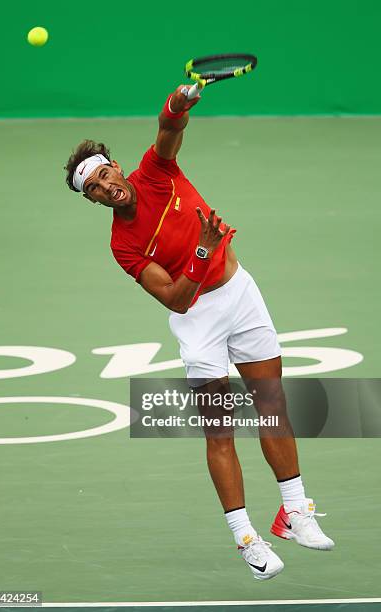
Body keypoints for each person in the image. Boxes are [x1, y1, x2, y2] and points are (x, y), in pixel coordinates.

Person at [64, 85, 334, 581]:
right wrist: (204, 252)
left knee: (272, 406)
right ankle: (246, 539)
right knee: (221, 431)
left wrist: (179, 100)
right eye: (95, 189)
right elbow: (175, 297)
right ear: (94, 200)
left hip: (241, 293)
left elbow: (169, 129)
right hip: (199, 322)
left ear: (117, 167)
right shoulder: (122, 244)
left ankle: (295, 513)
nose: (106, 188)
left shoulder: (156, 171)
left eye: (105, 175)